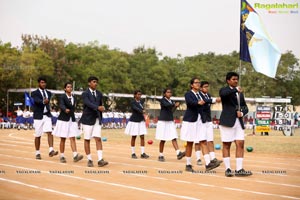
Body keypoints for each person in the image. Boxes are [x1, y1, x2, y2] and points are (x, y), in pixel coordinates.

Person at [180, 78, 220, 172]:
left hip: (200, 121)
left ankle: (208, 163)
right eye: (196, 83)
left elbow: (207, 100)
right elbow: (190, 103)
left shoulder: (200, 95)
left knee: (203, 140)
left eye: (198, 82)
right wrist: (198, 102)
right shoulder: (188, 94)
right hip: (191, 121)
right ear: (191, 85)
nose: (198, 84)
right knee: (190, 142)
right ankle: (188, 164)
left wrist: (215, 100)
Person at [219, 72, 252, 177]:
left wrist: (242, 112)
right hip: (227, 121)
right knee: (226, 145)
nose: (236, 81)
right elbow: (224, 95)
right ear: (228, 80)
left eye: (237, 79)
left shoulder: (240, 93)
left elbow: (245, 107)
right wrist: (235, 90)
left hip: (239, 122)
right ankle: (228, 169)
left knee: (240, 144)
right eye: (233, 79)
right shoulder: (224, 90)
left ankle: (239, 169)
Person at [79, 76, 108, 167]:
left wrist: (102, 108)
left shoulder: (99, 94)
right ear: (89, 83)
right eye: (94, 82)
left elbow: (100, 105)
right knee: (87, 139)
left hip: (96, 119)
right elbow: (88, 103)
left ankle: (100, 160)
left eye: (96, 82)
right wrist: (97, 107)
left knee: (98, 139)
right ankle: (90, 159)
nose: (95, 83)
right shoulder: (85, 93)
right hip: (87, 119)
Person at [52, 82, 84, 163]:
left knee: (72, 137)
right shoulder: (62, 97)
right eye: (68, 87)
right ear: (65, 89)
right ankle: (62, 156)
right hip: (63, 119)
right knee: (63, 138)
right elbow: (61, 105)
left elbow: (73, 108)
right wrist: (64, 109)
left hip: (72, 120)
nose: (70, 88)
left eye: (70, 87)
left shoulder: (74, 97)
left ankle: (75, 155)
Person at [31, 77, 58, 159]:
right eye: (42, 82)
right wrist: (43, 101)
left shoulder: (49, 93)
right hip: (38, 116)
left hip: (47, 115)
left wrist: (46, 102)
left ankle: (51, 150)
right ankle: (37, 153)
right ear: (39, 83)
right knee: (38, 135)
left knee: (50, 132)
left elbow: (47, 101)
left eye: (44, 82)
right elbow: (36, 101)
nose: (43, 84)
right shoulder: (34, 93)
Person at [155, 88, 185, 162]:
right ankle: (161, 155)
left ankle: (178, 153)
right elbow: (167, 105)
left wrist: (175, 107)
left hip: (170, 121)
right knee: (163, 139)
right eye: (168, 92)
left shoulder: (171, 101)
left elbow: (171, 111)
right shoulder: (163, 100)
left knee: (174, 137)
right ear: (164, 93)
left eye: (170, 92)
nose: (169, 93)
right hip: (163, 121)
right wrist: (174, 104)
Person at [198, 81, 222, 165]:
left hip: (208, 120)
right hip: (201, 121)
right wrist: (215, 99)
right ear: (200, 88)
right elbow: (205, 101)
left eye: (207, 87)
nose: (207, 88)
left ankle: (213, 158)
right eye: (205, 87)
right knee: (203, 141)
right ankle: (207, 162)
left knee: (210, 140)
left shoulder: (208, 95)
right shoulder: (198, 95)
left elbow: (208, 100)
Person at [125, 90, 149, 159]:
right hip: (134, 121)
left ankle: (142, 153)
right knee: (134, 136)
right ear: (135, 95)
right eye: (138, 94)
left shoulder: (141, 102)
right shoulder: (133, 102)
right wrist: (142, 111)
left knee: (142, 136)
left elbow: (142, 108)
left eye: (140, 94)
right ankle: (133, 153)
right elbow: (135, 108)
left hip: (141, 120)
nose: (139, 96)